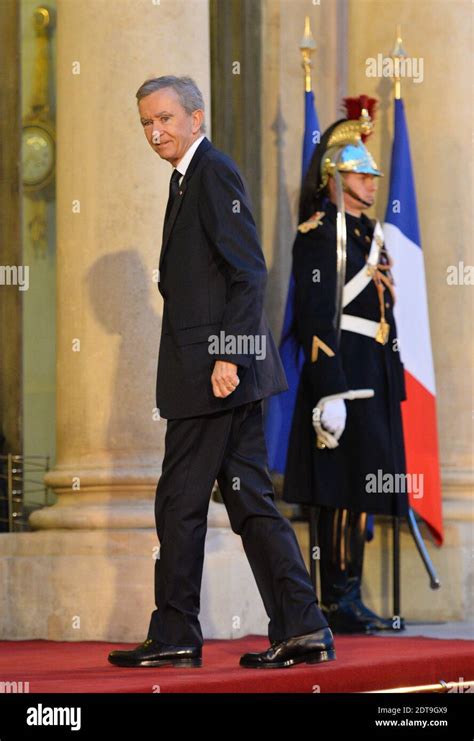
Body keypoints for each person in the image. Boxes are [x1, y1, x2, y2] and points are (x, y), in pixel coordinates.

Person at [108, 76, 335, 669]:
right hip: (213, 374)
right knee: (251, 502)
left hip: (214, 375)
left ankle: (177, 632)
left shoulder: (212, 172)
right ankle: (303, 626)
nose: (155, 132)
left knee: (179, 501)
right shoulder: (188, 177)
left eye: (164, 119)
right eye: (145, 123)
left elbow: (248, 270)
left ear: (195, 117)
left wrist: (229, 357)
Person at [283, 97, 408, 634]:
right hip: (341, 375)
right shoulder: (318, 234)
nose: (374, 182)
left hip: (374, 371)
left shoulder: (368, 234)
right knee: (338, 492)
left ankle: (350, 593)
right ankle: (335, 599)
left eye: (375, 173)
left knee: (366, 490)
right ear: (335, 174)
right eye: (362, 172)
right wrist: (328, 389)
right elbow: (314, 316)